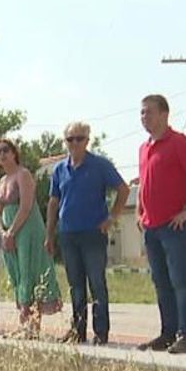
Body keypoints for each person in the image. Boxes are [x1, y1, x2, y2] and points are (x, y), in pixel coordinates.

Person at [46, 121, 130, 345]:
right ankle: (78, 330)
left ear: (87, 140)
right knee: (75, 285)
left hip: (93, 232)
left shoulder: (100, 165)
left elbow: (123, 189)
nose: (74, 143)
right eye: (70, 139)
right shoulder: (59, 170)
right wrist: (49, 233)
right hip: (68, 234)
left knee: (96, 283)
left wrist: (112, 217)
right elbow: (54, 202)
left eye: (79, 138)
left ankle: (101, 332)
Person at [137, 94, 186, 354]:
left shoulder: (179, 143)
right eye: (142, 113)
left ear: (164, 114)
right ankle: (167, 333)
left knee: (179, 279)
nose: (145, 117)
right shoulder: (144, 148)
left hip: (175, 226)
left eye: (149, 112)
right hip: (151, 227)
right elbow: (144, 183)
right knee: (160, 281)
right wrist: (140, 213)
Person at [0, 138, 62, 335]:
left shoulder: (23, 175)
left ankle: (32, 325)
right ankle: (24, 322)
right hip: (8, 232)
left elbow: (26, 206)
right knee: (18, 274)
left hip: (27, 230)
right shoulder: (2, 181)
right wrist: (2, 232)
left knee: (29, 270)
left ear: (14, 152)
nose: (3, 154)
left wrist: (12, 232)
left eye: (6, 150)